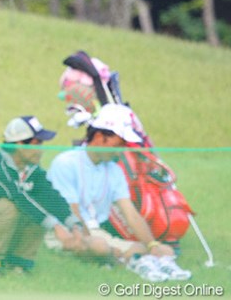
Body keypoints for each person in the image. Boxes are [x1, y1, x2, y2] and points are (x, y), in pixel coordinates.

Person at [47, 103, 192, 282]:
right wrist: (93, 242)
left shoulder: (114, 169)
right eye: (119, 143)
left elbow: (130, 213)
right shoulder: (65, 163)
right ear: (100, 137)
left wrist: (152, 244)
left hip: (98, 233)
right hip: (66, 231)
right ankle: (125, 262)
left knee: (164, 250)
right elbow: (71, 214)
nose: (122, 150)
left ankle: (128, 260)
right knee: (99, 247)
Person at [0, 115, 102, 275]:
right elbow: (18, 198)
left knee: (37, 204)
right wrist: (57, 228)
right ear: (19, 144)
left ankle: (20, 263)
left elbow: (51, 197)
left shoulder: (32, 170)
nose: (41, 150)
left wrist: (74, 226)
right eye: (37, 144)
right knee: (9, 206)